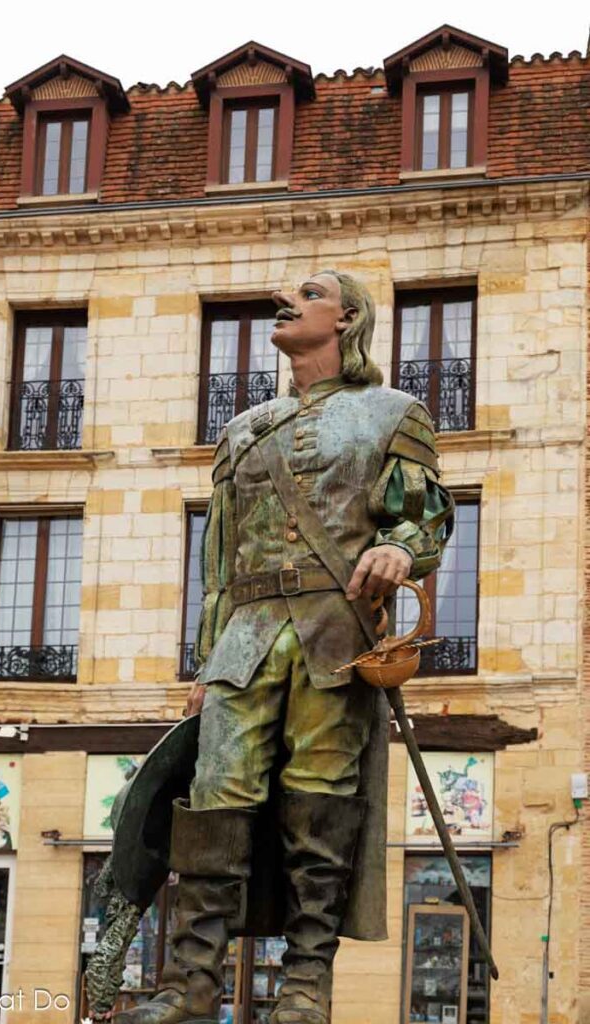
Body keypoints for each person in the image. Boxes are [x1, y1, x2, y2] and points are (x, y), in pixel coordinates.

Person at [121, 270, 453, 1024]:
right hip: (244, 638)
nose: (285, 300)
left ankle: (305, 984)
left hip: (333, 635)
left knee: (319, 807)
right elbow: (217, 566)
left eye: (306, 294)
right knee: (212, 798)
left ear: (346, 320)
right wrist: (205, 663)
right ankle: (190, 980)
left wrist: (400, 550)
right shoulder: (243, 430)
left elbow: (424, 517)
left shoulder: (392, 413)